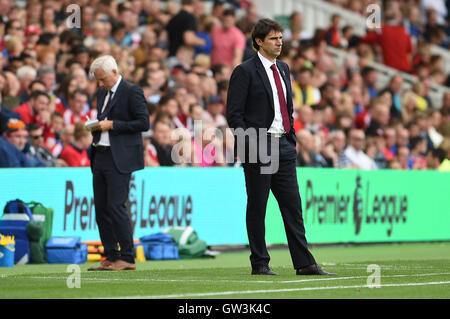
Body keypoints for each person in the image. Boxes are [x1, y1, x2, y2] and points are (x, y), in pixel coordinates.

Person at [226, 18, 336, 276]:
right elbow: (234, 115)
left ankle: (305, 263)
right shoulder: (244, 71)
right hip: (259, 147)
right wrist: (251, 144)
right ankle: (260, 262)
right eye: (274, 38)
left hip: (284, 147)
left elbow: (287, 108)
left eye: (281, 38)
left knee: (293, 208)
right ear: (259, 42)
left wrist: (291, 138)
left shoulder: (284, 68)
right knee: (258, 207)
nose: (280, 42)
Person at [87, 55, 149, 271]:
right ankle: (111, 256)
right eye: (98, 80)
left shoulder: (132, 91)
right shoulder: (102, 92)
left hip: (119, 157)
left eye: (103, 79)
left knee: (115, 206)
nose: (100, 84)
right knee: (102, 209)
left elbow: (143, 122)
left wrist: (113, 125)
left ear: (114, 72)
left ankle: (127, 257)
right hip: (100, 154)